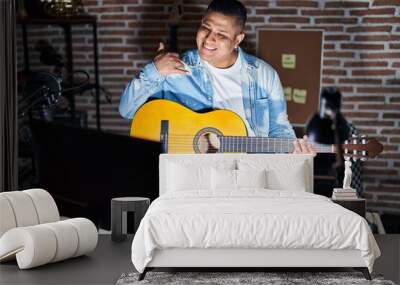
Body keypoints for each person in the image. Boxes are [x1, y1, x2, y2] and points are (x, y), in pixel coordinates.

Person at [119, 0, 314, 155]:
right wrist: (155, 70)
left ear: (237, 40)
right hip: (187, 176)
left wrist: (294, 150)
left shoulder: (264, 75)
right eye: (206, 27)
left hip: (247, 174)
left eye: (221, 34)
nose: (209, 39)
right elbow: (127, 110)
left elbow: (280, 131)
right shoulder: (174, 68)